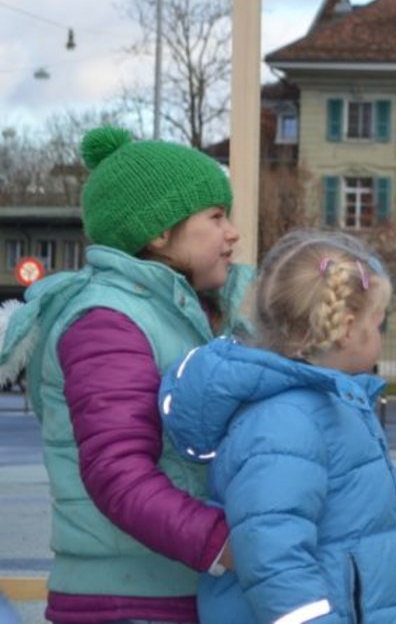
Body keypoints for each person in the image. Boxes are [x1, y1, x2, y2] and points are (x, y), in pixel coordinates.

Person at [0, 125, 247, 624]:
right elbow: (118, 472)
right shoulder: (107, 322)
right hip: (128, 600)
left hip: (173, 586)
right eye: (216, 216)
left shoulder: (183, 313)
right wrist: (224, 544)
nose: (232, 232)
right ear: (159, 232)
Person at [160, 229, 396, 623]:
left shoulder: (334, 405)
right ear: (346, 328)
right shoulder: (285, 422)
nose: (379, 333)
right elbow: (273, 556)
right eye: (378, 322)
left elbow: (338, 513)